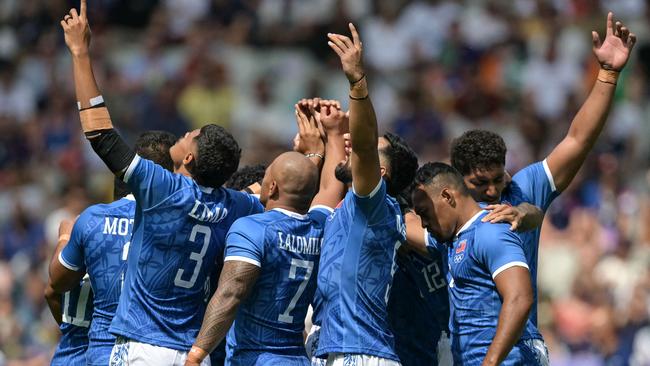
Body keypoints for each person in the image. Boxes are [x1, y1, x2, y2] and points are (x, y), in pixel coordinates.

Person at [59, 3, 264, 364]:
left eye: (191, 136)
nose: (186, 131)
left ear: (188, 159)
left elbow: (101, 134)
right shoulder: (236, 204)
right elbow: (266, 191)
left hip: (140, 344)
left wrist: (80, 53)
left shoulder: (163, 190)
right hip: (186, 348)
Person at [446, 12, 636, 331]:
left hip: (519, 348)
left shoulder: (524, 187)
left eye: (497, 178)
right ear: (456, 180)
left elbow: (577, 140)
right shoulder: (443, 208)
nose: (493, 190)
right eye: (480, 183)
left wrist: (607, 75)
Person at [184, 102, 347, 366]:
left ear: (270, 187)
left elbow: (231, 294)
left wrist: (196, 355)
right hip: (296, 358)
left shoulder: (252, 228)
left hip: (255, 357)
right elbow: (330, 186)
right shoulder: (320, 226)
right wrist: (333, 136)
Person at [314, 24, 418, 365]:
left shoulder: (374, 205)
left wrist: (357, 82)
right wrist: (330, 135)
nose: (351, 145)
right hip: (339, 350)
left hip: (359, 353)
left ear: (380, 172)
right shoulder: (349, 210)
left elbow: (360, 143)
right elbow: (328, 188)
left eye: (370, 152)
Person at [46, 131, 176, 366]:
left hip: (84, 350)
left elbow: (53, 288)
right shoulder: (179, 224)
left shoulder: (91, 222)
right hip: (151, 349)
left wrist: (64, 235)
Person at [412, 162, 543, 365]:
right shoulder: (451, 240)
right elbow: (401, 225)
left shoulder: (490, 230)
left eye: (425, 212)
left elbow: (520, 298)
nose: (424, 223)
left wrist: (490, 362)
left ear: (447, 196)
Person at [46, 219, 93, 366]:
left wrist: (64, 238)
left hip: (69, 352)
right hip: (101, 349)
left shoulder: (70, 271)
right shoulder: (107, 267)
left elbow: (50, 293)